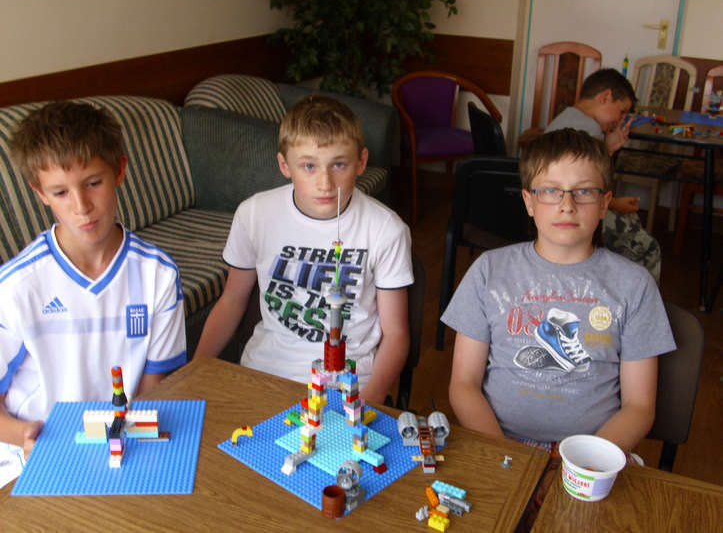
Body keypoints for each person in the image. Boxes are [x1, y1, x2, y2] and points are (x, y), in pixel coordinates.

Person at [442, 128, 675, 455]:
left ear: (605, 204)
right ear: (529, 202)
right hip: (497, 442)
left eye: (584, 191)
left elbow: (638, 407)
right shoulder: (488, 271)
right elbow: (464, 384)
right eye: (551, 191)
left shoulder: (635, 285)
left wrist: (585, 461)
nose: (567, 205)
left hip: (593, 452)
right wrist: (505, 455)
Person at [0, 102, 186, 486]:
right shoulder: (16, 286)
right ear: (39, 192)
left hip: (123, 448)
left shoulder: (159, 275)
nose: (81, 207)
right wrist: (25, 436)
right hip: (32, 455)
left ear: (119, 170)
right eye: (60, 192)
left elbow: (154, 389)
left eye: (93, 183)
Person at [193, 95, 412, 405]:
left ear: (361, 162)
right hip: (264, 374)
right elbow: (231, 300)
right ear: (285, 165)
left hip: (348, 387)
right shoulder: (254, 214)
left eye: (339, 164)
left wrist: (367, 403)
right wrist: (195, 372)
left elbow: (397, 335)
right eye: (309, 166)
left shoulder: (386, 229)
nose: (325, 183)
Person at [545, 68, 662, 282]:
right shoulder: (589, 131)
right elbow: (582, 193)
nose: (620, 120)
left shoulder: (568, 118)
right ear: (605, 97)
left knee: (631, 219)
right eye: (622, 111)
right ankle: (633, 296)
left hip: (554, 207)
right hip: (571, 213)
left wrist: (606, 149)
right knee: (649, 248)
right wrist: (615, 204)